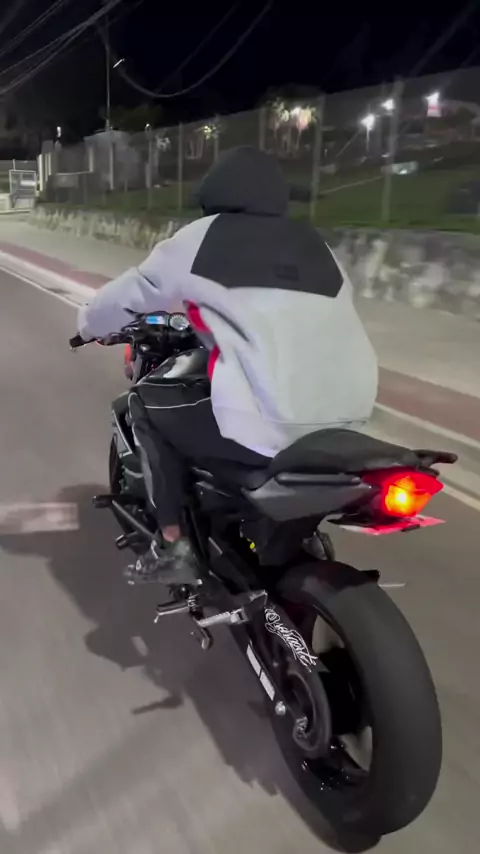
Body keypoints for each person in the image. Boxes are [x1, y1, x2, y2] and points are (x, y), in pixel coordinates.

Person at [77, 146, 378, 585]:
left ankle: (173, 544)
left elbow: (130, 295)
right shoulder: (318, 247)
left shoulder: (200, 238)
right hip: (349, 419)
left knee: (144, 403)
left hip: (273, 424)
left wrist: (86, 325)